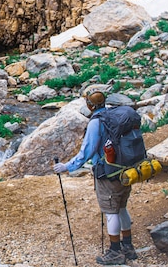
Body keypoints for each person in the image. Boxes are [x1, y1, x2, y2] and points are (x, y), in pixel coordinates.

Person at [53, 91, 137, 265]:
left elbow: (87, 151)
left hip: (108, 173)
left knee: (111, 212)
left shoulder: (96, 123)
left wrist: (67, 166)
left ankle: (115, 252)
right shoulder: (115, 116)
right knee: (121, 208)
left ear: (90, 106)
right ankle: (128, 247)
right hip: (127, 170)